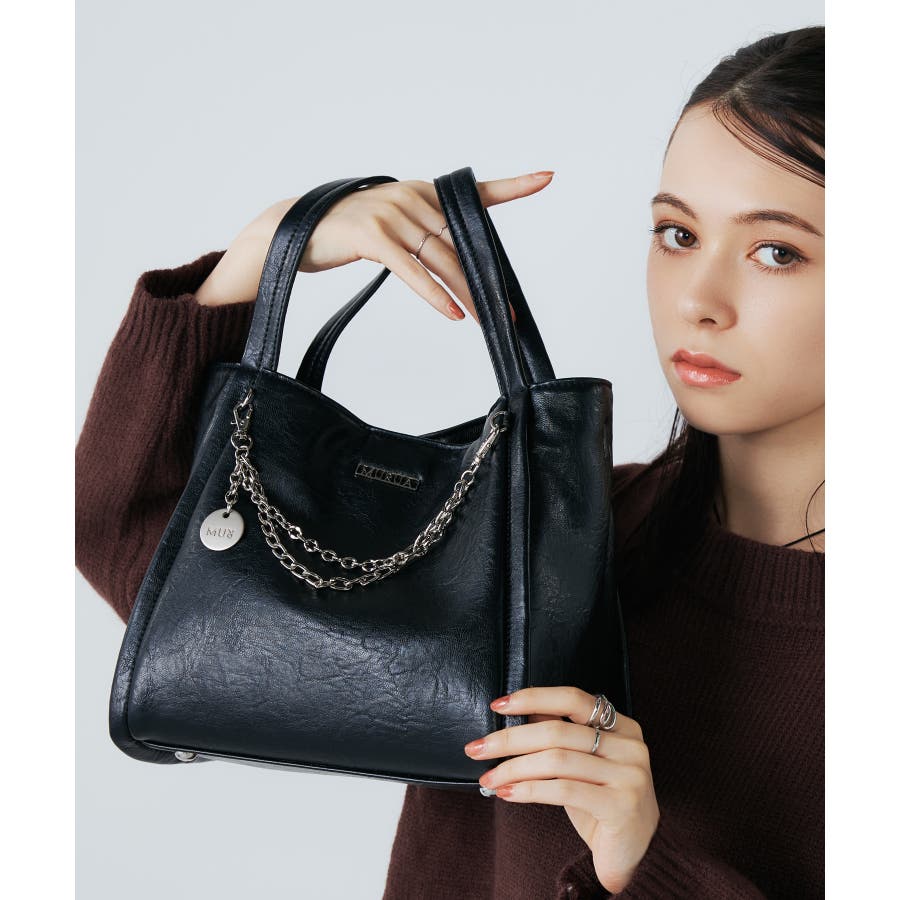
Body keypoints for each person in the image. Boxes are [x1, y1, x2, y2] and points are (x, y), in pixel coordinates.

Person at [75, 24, 824, 900]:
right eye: (676, 234)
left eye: (778, 251)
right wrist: (268, 249)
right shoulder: (554, 536)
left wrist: (642, 861)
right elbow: (139, 550)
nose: (698, 299)